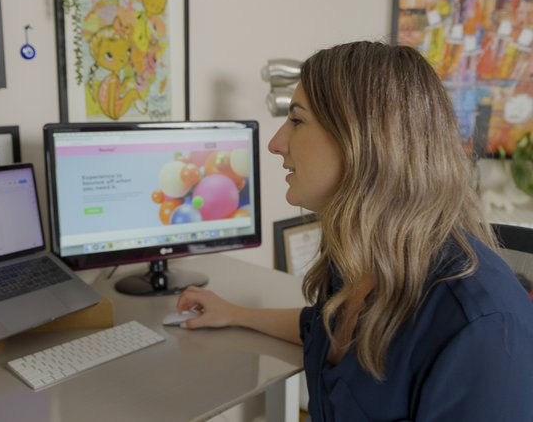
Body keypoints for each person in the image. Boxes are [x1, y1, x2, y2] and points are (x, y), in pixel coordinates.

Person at [177, 41, 533, 421]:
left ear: (366, 140)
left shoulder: (482, 327)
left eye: (297, 120)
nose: (275, 143)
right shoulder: (359, 259)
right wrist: (233, 313)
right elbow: (321, 326)